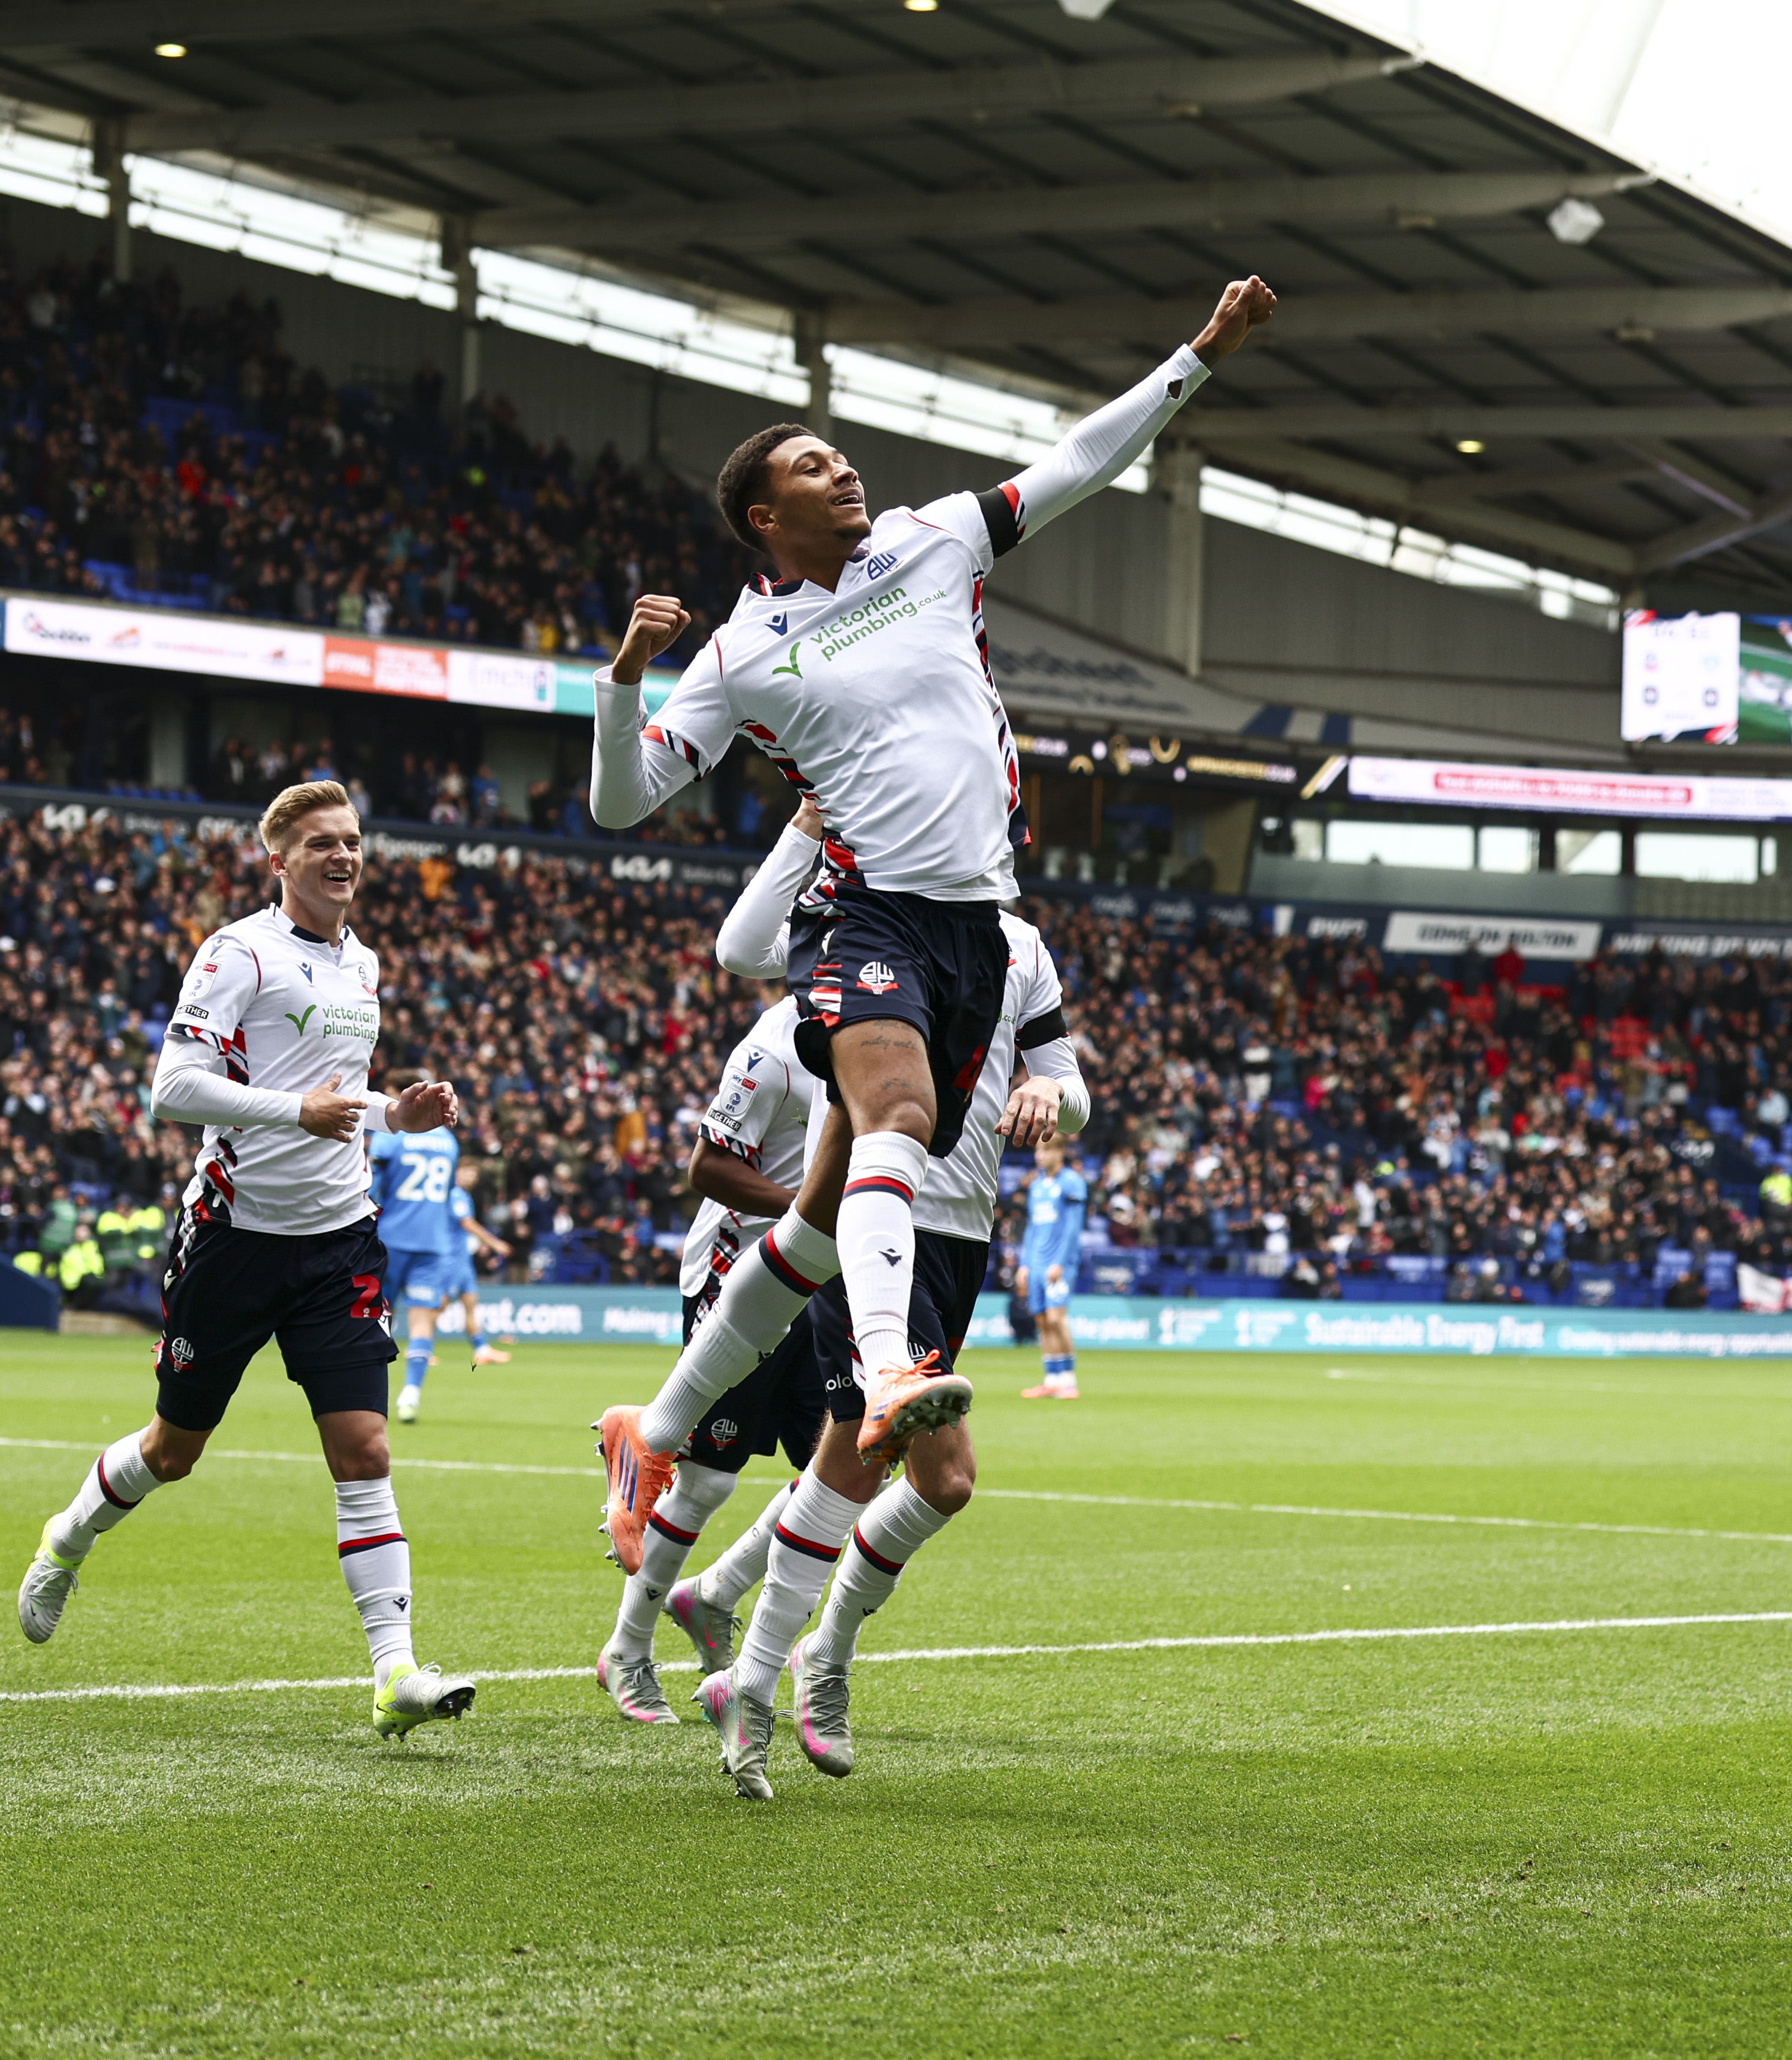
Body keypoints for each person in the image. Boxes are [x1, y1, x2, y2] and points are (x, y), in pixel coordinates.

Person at [582, 274, 1277, 1568]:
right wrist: (624, 684)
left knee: (817, 1211)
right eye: (810, 464)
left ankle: (658, 1423)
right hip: (866, 916)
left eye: (840, 454)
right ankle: (893, 1364)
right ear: (760, 513)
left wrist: (1197, 356)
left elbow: (1076, 462)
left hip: (976, 926)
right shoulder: (735, 655)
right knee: (895, 1121)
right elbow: (622, 801)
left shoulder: (931, 538)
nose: (842, 470)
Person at [14, 782, 480, 1740]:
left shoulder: (366, 963)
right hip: (232, 1237)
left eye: (353, 840)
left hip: (340, 1238)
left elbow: (340, 1095)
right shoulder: (239, 951)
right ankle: (67, 1537)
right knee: (171, 1451)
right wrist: (295, 1110)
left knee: (366, 1448)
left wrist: (399, 1113)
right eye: (321, 843)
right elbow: (173, 1088)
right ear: (281, 860)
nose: (343, 855)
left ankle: (395, 1671)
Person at [680, 868, 1085, 1797]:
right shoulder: (865, 926)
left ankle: (779, 1651)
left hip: (964, 1236)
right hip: (876, 1222)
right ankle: (778, 1671)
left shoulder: (1022, 947)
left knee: (896, 1473)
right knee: (900, 1469)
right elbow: (754, 959)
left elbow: (1073, 1090)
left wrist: (1047, 1097)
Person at [594, 939, 826, 1727]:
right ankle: (625, 1649)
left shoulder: (889, 1033)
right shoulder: (773, 1047)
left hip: (827, 1276)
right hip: (744, 1267)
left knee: (848, 1467)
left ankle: (716, 1593)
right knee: (706, 1480)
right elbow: (706, 1166)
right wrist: (807, 1212)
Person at [368, 1073, 463, 1423]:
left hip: (391, 1239)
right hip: (433, 1242)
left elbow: (374, 1187)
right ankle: (411, 1395)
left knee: (377, 1319)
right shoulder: (449, 1142)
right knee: (423, 1323)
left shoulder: (391, 1136)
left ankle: (371, 1397)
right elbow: (449, 1190)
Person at [1018, 1135, 1090, 1400]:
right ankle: (1051, 1381)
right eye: (1038, 1151)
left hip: (1059, 1264)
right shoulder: (1036, 1187)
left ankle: (1069, 1381)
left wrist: (1060, 1262)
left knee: (1057, 1319)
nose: (1040, 1156)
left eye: (1046, 1150)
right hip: (1036, 1263)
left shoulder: (1072, 1183)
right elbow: (1032, 1228)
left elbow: (1073, 1229)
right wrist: (1024, 1264)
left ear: (1060, 1153)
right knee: (1042, 1320)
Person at [445, 1159, 512, 1366]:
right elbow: (466, 1223)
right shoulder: (455, 1193)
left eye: (475, 1175)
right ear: (457, 1171)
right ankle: (419, 1347)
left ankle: (482, 1350)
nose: (472, 1178)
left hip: (462, 1260)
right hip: (450, 1259)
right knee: (436, 1307)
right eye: (468, 1172)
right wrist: (494, 1243)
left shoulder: (463, 1195)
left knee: (470, 1304)